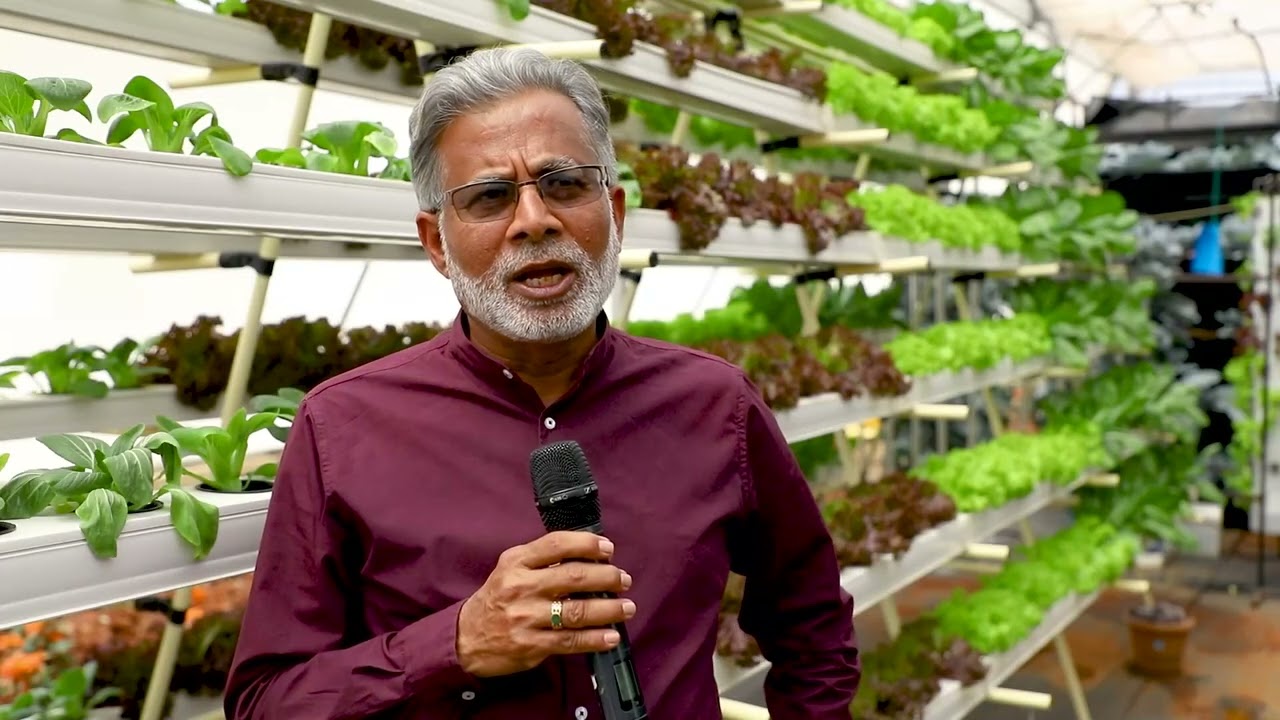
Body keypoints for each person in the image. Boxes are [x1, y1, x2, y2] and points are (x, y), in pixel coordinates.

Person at [222, 47, 859, 720]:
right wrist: (456, 641)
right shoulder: (342, 429)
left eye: (563, 184)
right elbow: (267, 702)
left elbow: (811, 623)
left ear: (613, 210)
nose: (534, 220)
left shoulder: (716, 406)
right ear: (436, 242)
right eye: (491, 196)